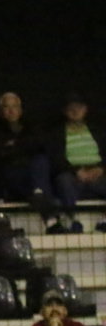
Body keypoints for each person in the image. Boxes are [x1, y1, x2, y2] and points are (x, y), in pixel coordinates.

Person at [49, 93, 106, 232]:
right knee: (64, 180)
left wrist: (101, 168)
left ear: (85, 109)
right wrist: (76, 171)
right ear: (65, 111)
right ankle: (73, 221)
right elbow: (56, 158)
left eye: (79, 108)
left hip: (97, 173)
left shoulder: (97, 130)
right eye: (71, 108)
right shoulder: (57, 133)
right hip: (72, 174)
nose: (75, 111)